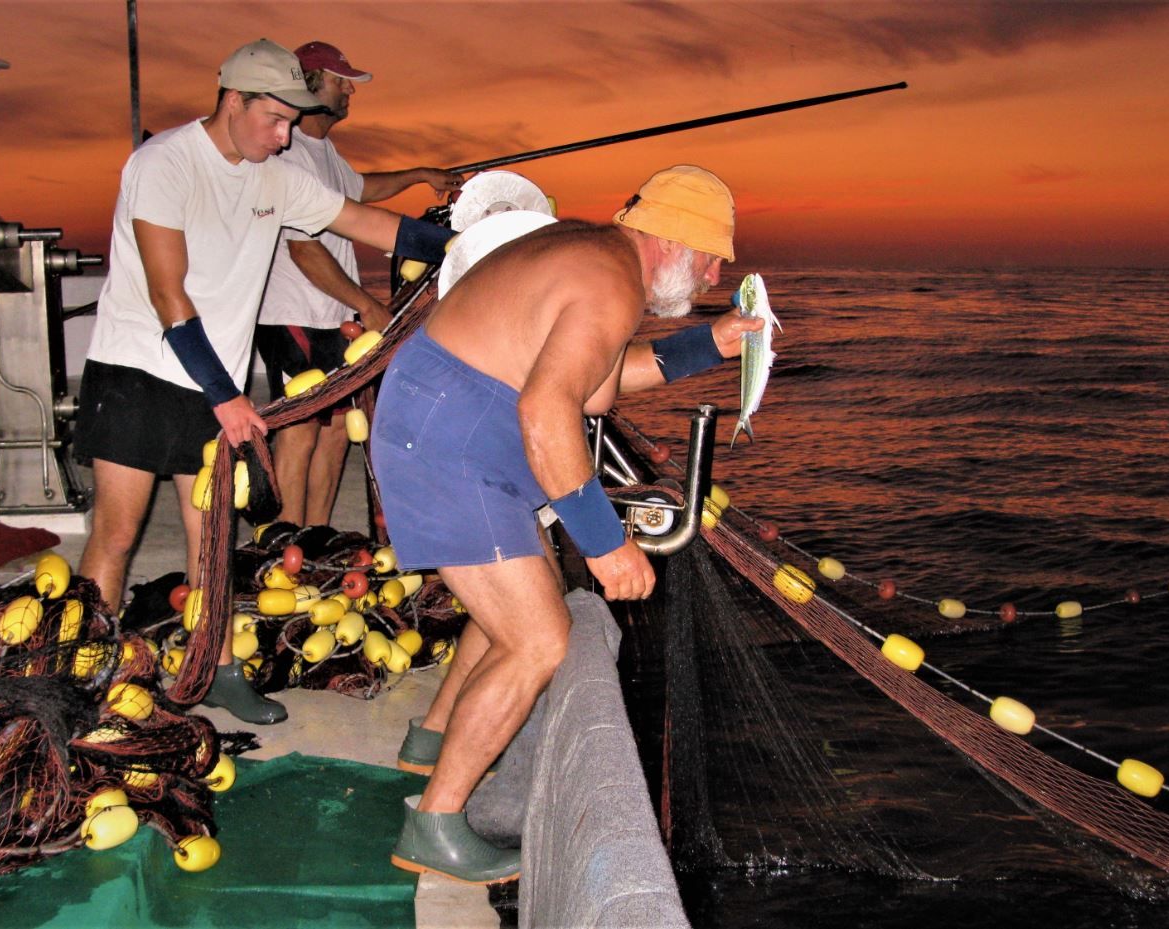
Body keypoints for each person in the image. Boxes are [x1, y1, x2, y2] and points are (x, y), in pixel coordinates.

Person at [370, 165, 764, 883]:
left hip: (446, 427)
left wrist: (714, 343)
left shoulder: (600, 257)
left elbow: (597, 382)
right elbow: (549, 413)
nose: (713, 273)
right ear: (672, 239)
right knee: (541, 640)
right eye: (710, 256)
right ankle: (435, 819)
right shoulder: (607, 280)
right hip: (450, 446)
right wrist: (607, 546)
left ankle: (430, 743)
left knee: (518, 606)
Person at [72, 38, 454, 724]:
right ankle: (83, 671)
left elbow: (367, 221)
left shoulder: (274, 175)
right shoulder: (165, 163)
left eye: (291, 123)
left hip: (208, 380)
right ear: (234, 100)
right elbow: (168, 295)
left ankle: (215, 667)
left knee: (210, 536)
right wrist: (228, 396)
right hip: (136, 369)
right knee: (118, 533)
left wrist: (466, 245)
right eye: (276, 119)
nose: (285, 137)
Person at [256, 41, 463, 529]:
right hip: (294, 313)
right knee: (301, 428)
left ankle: (315, 538)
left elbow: (360, 190)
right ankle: (280, 544)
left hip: (331, 315)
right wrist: (367, 305)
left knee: (332, 434)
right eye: (338, 80)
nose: (349, 89)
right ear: (309, 85)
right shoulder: (285, 154)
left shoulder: (321, 149)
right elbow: (302, 248)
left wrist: (418, 174)